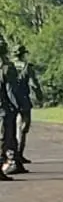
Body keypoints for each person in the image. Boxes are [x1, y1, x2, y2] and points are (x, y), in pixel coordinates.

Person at [12, 45, 43, 166]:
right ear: (23, 54)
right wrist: (39, 97)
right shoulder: (27, 67)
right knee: (23, 128)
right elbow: (34, 84)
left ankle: (12, 154)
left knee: (10, 128)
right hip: (23, 99)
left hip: (10, 100)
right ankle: (19, 154)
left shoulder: (8, 66)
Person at [0, 37, 19, 180]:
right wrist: (16, 107)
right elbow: (11, 91)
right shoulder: (7, 68)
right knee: (5, 138)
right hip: (4, 108)